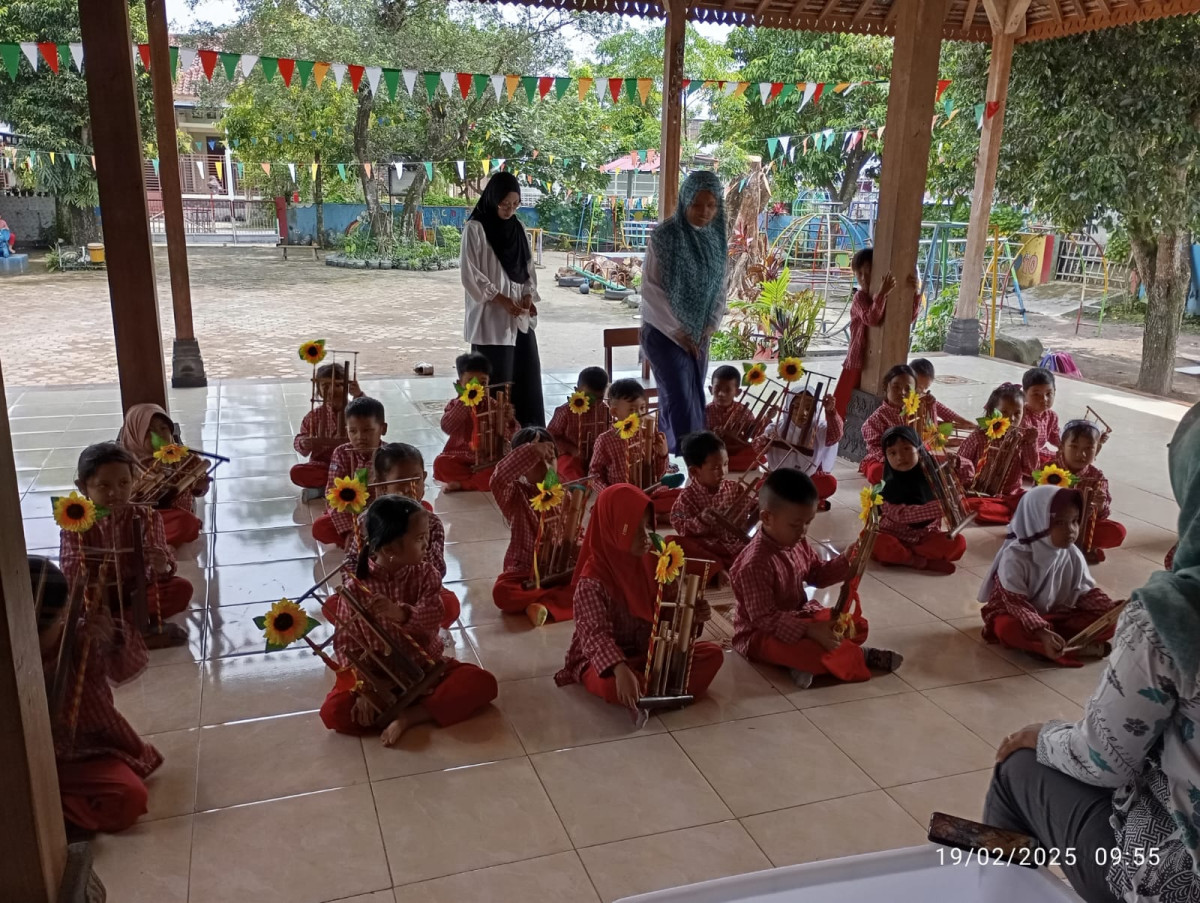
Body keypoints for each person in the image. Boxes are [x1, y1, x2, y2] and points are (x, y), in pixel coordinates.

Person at [983, 402, 1200, 903]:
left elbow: (1105, 760)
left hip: (1175, 880)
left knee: (1019, 765)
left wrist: (1042, 736)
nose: (1072, 530)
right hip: (1032, 618)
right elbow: (1013, 600)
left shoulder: (1177, 613)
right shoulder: (1018, 553)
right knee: (1014, 625)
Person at [320, 497, 498, 746]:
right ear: (390, 550)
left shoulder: (426, 574)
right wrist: (364, 690)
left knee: (482, 683)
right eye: (419, 538)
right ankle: (410, 707)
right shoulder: (356, 588)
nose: (426, 544)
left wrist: (401, 614)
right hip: (379, 680)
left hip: (426, 671)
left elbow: (434, 615)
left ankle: (410, 716)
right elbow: (344, 645)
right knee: (333, 712)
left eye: (426, 537)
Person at [555, 484, 724, 708]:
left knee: (712, 654)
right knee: (609, 686)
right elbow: (596, 637)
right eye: (636, 528)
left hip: (649, 654)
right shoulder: (593, 580)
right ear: (614, 529)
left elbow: (668, 617)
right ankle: (655, 692)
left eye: (648, 526)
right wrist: (620, 669)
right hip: (607, 663)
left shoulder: (658, 563)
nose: (646, 536)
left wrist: (692, 616)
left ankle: (646, 695)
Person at [730, 468, 902, 687]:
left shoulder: (797, 541)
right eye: (795, 524)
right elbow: (764, 619)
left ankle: (818, 660)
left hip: (801, 616)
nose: (803, 531)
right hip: (761, 634)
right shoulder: (754, 563)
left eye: (807, 522)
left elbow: (817, 574)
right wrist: (810, 631)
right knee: (807, 650)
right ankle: (860, 655)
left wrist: (846, 559)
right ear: (766, 518)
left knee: (856, 625)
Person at [33, 557, 162, 834]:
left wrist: (112, 639)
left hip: (83, 755)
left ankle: (47, 815)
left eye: (44, 628)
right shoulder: (14, 656)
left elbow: (125, 668)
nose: (33, 639)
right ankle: (43, 811)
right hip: (30, 759)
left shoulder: (80, 637)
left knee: (130, 796)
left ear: (65, 612)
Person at [59, 443, 193, 644]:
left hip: (136, 593)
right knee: (66, 604)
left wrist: (161, 564)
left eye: (123, 483)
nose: (115, 492)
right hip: (96, 596)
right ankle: (125, 627)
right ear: (82, 487)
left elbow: (163, 570)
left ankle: (113, 627)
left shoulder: (147, 517)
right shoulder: (76, 522)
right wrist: (87, 575)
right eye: (103, 486)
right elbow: (71, 578)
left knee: (181, 589)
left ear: (134, 480)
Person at [978, 485, 1120, 666]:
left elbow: (1084, 593)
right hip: (1018, 616)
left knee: (1110, 621)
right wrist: (1042, 631)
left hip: (1056, 617)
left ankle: (1046, 647)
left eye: (1075, 521)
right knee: (1007, 628)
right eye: (1060, 523)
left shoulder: (1071, 553)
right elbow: (1016, 604)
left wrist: (1112, 610)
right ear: (1037, 522)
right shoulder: (1015, 556)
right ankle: (1062, 647)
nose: (1071, 530)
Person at [640, 170, 729, 453]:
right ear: (685, 201)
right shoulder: (664, 237)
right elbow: (652, 290)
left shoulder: (716, 241)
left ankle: (673, 455)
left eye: (711, 205)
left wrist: (710, 325)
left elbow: (720, 288)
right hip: (664, 333)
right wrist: (679, 331)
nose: (705, 212)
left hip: (699, 335)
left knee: (692, 397)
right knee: (678, 397)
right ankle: (684, 457)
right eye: (697, 204)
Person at [342, 443, 459, 630]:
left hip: (417, 592)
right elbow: (351, 563)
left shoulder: (431, 523)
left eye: (416, 480)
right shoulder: (366, 521)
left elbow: (438, 568)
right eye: (400, 482)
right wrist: (361, 590)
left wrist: (418, 540)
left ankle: (412, 625)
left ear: (424, 478)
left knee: (449, 606)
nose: (409, 489)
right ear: (382, 485)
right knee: (340, 603)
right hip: (376, 593)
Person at [460, 172, 544, 427]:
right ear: (493, 199)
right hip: (490, 321)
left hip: (519, 320)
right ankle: (494, 440)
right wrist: (501, 299)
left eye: (515, 204)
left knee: (526, 381)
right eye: (505, 204)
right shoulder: (475, 229)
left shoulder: (517, 228)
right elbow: (471, 274)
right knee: (495, 387)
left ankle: (529, 436)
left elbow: (527, 268)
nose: (510, 210)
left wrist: (527, 295)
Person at [490, 429, 575, 626]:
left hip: (559, 571)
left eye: (550, 458)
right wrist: (531, 451)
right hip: (526, 572)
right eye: (536, 461)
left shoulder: (566, 495)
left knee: (596, 579)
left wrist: (576, 547)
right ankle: (549, 602)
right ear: (521, 468)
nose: (546, 466)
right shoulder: (515, 495)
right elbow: (498, 479)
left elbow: (574, 532)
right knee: (502, 592)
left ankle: (538, 604)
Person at [832, 248, 918, 418]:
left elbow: (907, 320)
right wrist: (882, 293)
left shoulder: (890, 297)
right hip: (857, 360)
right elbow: (871, 318)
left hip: (881, 360)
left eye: (868, 272)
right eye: (859, 274)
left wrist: (913, 293)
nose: (864, 278)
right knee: (841, 406)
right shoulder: (860, 297)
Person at [871, 426, 968, 575]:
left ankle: (905, 556)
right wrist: (942, 506)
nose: (900, 457)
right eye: (892, 453)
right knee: (876, 541)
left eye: (906, 449)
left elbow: (968, 475)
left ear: (919, 449)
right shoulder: (886, 488)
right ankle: (915, 560)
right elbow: (904, 515)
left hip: (924, 537)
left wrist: (957, 463)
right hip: (894, 535)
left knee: (958, 542)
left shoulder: (932, 475)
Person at [116, 402, 208, 548]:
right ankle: (151, 541)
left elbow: (199, 490)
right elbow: (124, 500)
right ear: (135, 435)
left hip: (173, 517)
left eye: (163, 428)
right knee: (128, 530)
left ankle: (158, 540)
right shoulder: (123, 465)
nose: (159, 434)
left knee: (186, 522)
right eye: (148, 431)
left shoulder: (185, 458)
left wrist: (201, 486)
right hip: (144, 520)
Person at [667, 431, 753, 577]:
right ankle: (717, 569)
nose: (723, 472)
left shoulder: (735, 488)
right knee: (672, 543)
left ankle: (726, 567)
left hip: (735, 546)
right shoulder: (687, 498)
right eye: (716, 468)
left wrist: (763, 505)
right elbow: (681, 528)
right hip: (708, 548)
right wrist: (701, 520)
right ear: (695, 471)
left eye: (725, 464)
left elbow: (752, 505)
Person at [588, 378, 676, 518]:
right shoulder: (605, 440)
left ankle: (647, 514)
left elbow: (659, 474)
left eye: (642, 408)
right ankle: (649, 516)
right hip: (621, 497)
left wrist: (663, 454)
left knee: (679, 498)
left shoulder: (648, 434)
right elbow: (594, 475)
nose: (640, 414)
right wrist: (609, 494)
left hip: (648, 493)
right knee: (611, 511)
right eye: (632, 410)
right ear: (614, 412)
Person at [434, 352, 518, 493]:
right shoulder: (454, 405)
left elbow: (511, 435)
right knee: (440, 464)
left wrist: (508, 420)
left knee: (506, 467)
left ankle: (464, 484)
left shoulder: (494, 404)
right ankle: (478, 482)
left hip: (488, 459)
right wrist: (465, 402)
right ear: (459, 384)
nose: (477, 388)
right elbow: (447, 427)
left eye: (483, 383)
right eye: (470, 384)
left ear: (489, 383)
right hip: (460, 457)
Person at [957, 382, 1039, 525]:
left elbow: (1032, 470)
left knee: (1034, 502)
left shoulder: (1022, 439)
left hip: (1010, 495)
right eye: (1005, 412)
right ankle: (1000, 511)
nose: (1011, 419)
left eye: (1017, 413)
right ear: (991, 413)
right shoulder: (979, 437)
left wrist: (1031, 444)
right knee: (972, 506)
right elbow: (961, 465)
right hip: (979, 494)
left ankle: (1003, 510)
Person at [312, 396, 387, 548]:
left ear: (383, 429)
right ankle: (365, 543)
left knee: (423, 509)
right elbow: (332, 495)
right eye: (353, 431)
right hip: (350, 514)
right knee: (320, 527)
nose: (360, 437)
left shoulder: (390, 455)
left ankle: (373, 542)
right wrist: (349, 531)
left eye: (367, 430)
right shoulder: (341, 453)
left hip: (381, 515)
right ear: (346, 430)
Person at [1052, 419, 1126, 562]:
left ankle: (1078, 543)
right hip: (1052, 523)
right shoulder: (1049, 470)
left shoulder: (1097, 477)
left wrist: (1100, 505)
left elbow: (1102, 515)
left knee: (1118, 531)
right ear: (1061, 447)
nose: (1081, 454)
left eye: (1088, 448)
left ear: (1097, 450)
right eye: (1074, 447)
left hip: (1082, 526)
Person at [763, 386, 843, 511]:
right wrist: (766, 421)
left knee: (829, 483)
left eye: (808, 408)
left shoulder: (820, 428)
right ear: (788, 408)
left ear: (816, 409)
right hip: (780, 478)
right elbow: (759, 447)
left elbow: (835, 436)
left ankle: (787, 500)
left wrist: (831, 411)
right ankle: (803, 501)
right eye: (796, 407)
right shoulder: (776, 428)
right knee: (762, 486)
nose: (804, 413)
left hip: (807, 480)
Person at [291, 362, 361, 498]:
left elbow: (370, 411)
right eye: (326, 386)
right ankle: (337, 488)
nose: (332, 390)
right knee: (297, 472)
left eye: (338, 385)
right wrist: (303, 442)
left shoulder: (357, 410)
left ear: (347, 387)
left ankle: (324, 490)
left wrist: (359, 395)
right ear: (318, 390)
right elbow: (301, 440)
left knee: (370, 469)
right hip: (325, 467)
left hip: (352, 464)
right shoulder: (313, 416)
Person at [546, 366, 610, 483]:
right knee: (568, 468)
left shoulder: (606, 411)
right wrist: (571, 449)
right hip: (571, 456)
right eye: (589, 398)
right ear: (577, 391)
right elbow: (550, 436)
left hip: (597, 457)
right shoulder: (565, 412)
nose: (594, 404)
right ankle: (579, 486)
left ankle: (597, 483)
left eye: (600, 398)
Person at [859, 364, 917, 484]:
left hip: (913, 456)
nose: (902, 393)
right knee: (877, 471)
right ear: (886, 387)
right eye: (896, 387)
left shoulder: (917, 410)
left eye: (908, 389)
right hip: (885, 459)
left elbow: (930, 434)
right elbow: (875, 448)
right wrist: (895, 459)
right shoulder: (877, 418)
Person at [705, 365, 769, 472]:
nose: (721, 394)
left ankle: (724, 465)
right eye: (717, 389)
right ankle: (723, 464)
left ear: (737, 392)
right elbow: (698, 439)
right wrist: (712, 436)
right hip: (714, 453)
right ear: (711, 389)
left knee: (755, 452)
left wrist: (767, 418)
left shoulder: (744, 411)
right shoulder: (704, 412)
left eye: (727, 390)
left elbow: (755, 435)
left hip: (737, 452)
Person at [909, 358, 972, 429]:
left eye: (925, 388)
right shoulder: (905, 402)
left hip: (930, 432)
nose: (922, 391)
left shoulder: (926, 398)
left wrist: (962, 421)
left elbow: (942, 409)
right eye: (918, 387)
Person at [1022, 366, 1060, 466]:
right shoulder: (1022, 417)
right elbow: (1024, 448)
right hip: (1021, 456)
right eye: (1036, 394)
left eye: (1048, 393)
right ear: (1024, 395)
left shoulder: (1052, 416)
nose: (1044, 399)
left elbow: (1055, 437)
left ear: (1055, 392)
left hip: (1038, 452)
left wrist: (1066, 446)